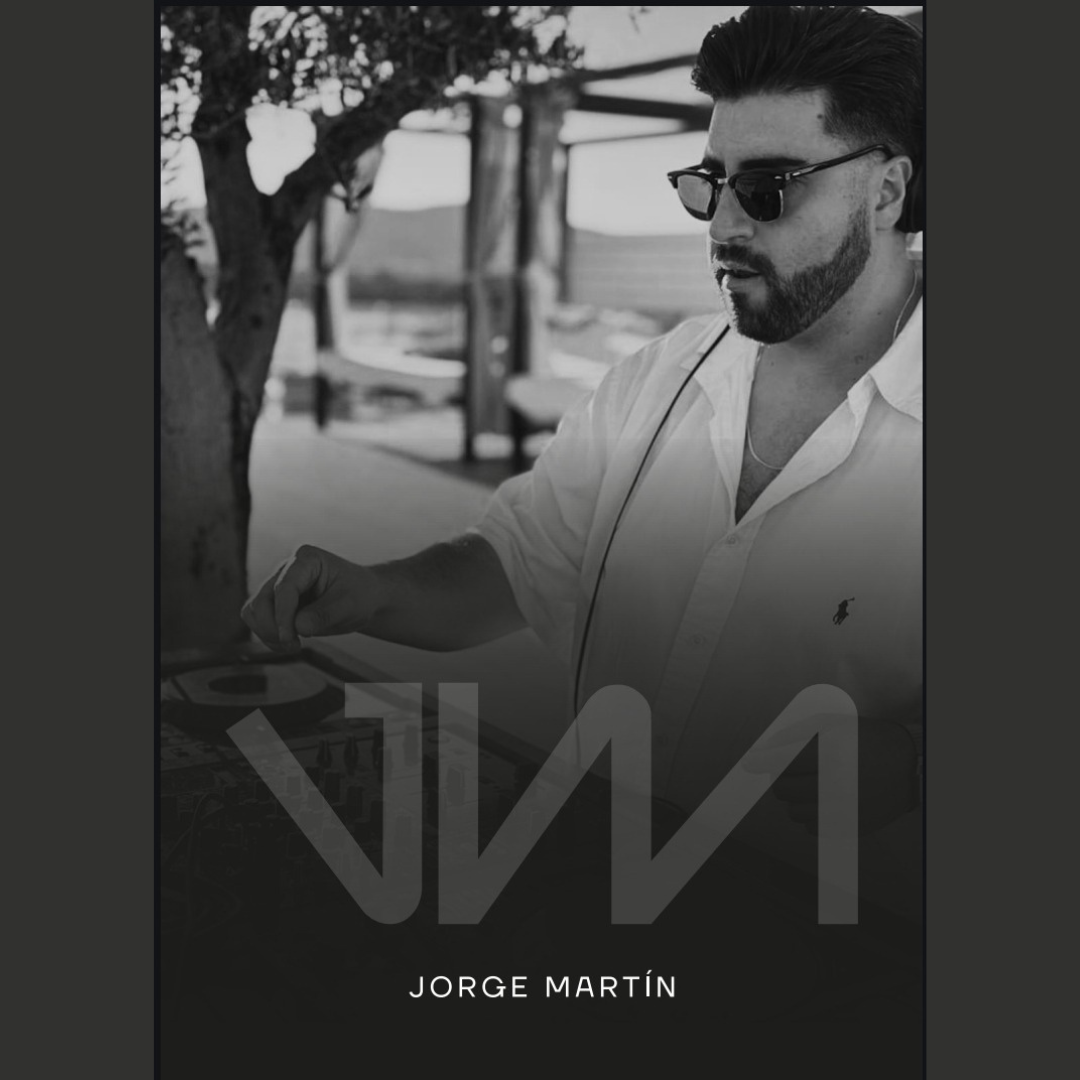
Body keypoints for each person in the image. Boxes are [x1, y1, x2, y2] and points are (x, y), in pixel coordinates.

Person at [242, 6, 924, 843]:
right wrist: (376, 592)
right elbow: (515, 563)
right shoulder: (654, 380)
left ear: (886, 191)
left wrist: (918, 767)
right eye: (710, 183)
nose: (723, 224)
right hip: (592, 878)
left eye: (767, 189)